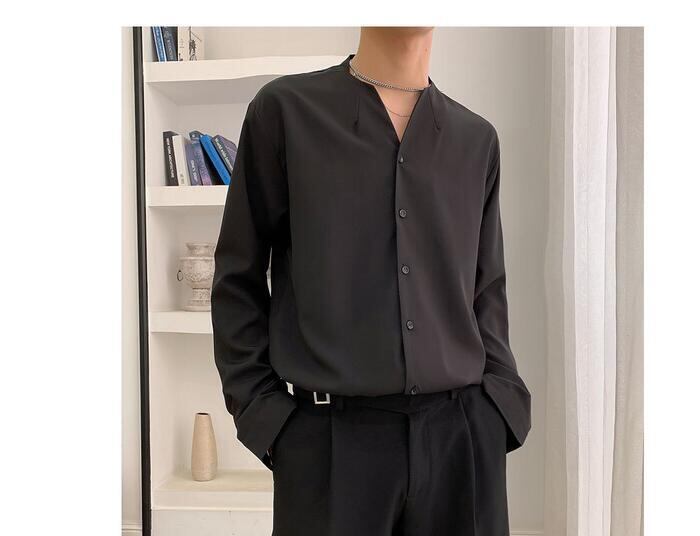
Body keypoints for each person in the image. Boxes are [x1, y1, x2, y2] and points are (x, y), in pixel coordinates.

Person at [211, 27, 531, 536]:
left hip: (462, 440)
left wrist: (500, 410)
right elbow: (238, 277)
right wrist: (266, 418)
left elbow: (486, 288)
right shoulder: (285, 112)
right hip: (327, 447)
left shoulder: (476, 139)